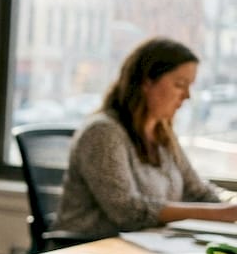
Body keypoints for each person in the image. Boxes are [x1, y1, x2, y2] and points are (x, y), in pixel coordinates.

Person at [52, 37, 237, 240]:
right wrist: (218, 214)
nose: (187, 96)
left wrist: (230, 203)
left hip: (146, 247)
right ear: (147, 82)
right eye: (180, 84)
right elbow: (127, 212)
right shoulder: (102, 132)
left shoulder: (162, 134)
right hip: (89, 252)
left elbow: (199, 192)